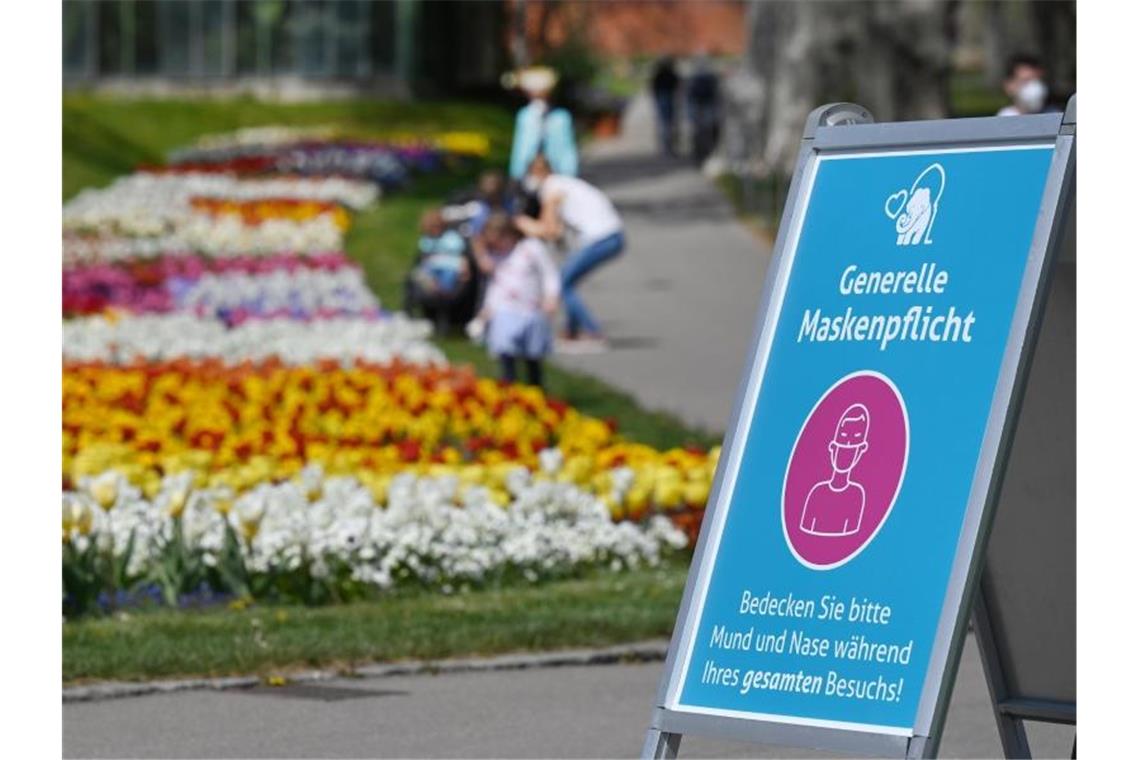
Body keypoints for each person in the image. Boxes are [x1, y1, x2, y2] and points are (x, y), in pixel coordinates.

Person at [515, 154, 624, 352]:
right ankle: (571, 333)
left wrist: (521, 223)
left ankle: (594, 333)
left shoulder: (551, 188)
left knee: (562, 284)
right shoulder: (564, 183)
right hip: (611, 235)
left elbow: (550, 230)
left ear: (536, 173)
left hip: (601, 237)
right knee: (568, 281)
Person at [471, 212, 560, 388]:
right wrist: (487, 308)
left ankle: (536, 393)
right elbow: (496, 285)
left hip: (531, 310)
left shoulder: (530, 248)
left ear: (510, 234)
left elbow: (549, 273)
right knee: (506, 355)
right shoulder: (494, 257)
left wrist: (551, 296)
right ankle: (510, 392)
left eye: (499, 240)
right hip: (504, 311)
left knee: (532, 358)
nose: (497, 245)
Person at [508, 66, 579, 181]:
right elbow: (521, 146)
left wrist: (569, 173)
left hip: (556, 170)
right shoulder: (525, 115)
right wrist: (517, 172)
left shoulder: (561, 116)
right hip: (530, 172)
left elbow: (567, 148)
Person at [411, 208, 469, 295]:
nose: (434, 231)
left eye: (436, 227)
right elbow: (425, 257)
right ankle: (432, 287)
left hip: (451, 266)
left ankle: (442, 291)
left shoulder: (451, 237)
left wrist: (464, 266)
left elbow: (461, 254)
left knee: (449, 276)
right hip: (433, 265)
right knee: (423, 272)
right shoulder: (427, 240)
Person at [686, 53, 721, 163]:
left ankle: (699, 152)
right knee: (707, 129)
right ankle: (705, 151)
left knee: (698, 130)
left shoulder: (695, 75)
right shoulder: (711, 76)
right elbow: (716, 93)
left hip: (698, 105)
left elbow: (690, 94)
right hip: (706, 105)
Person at [650, 56, 680, 156]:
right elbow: (678, 86)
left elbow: (653, 87)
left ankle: (665, 146)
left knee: (663, 123)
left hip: (663, 99)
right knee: (669, 123)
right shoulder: (670, 74)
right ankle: (669, 146)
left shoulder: (659, 74)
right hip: (668, 98)